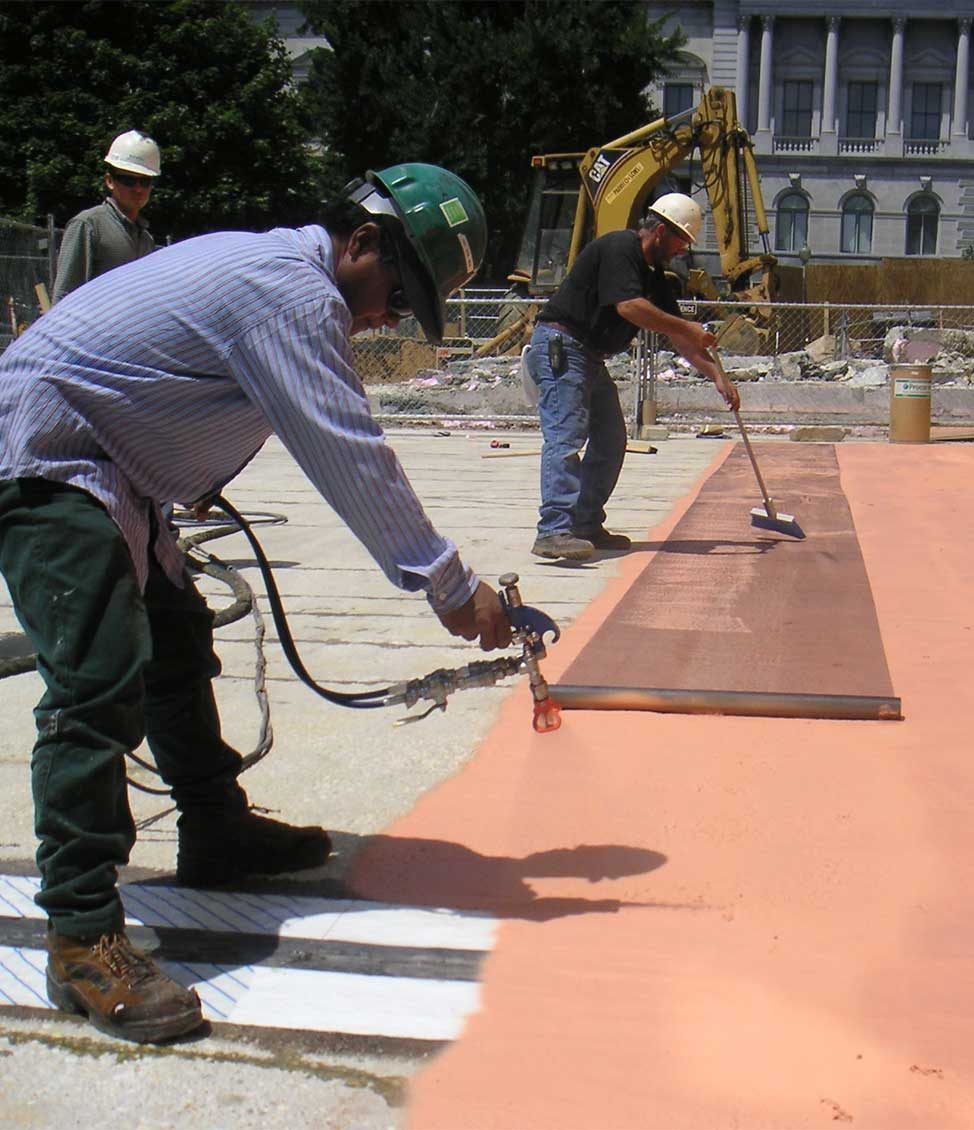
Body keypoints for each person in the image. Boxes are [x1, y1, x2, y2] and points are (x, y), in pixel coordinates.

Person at [0, 162, 512, 1045]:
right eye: (399, 291)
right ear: (360, 243)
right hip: (50, 453)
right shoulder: (291, 296)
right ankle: (82, 934)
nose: (392, 315)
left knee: (176, 636)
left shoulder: (280, 279)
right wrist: (449, 586)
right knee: (97, 683)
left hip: (112, 463)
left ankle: (215, 831)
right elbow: (348, 450)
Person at [525, 193, 740, 561]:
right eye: (680, 242)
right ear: (659, 232)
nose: (681, 251)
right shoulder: (620, 248)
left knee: (610, 439)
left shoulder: (655, 276)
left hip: (589, 356)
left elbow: (680, 340)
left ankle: (585, 523)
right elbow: (629, 307)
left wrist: (718, 376)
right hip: (562, 344)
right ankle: (553, 530)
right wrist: (688, 327)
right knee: (566, 434)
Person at [51, 129, 161, 303]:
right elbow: (64, 297)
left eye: (145, 181)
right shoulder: (88, 225)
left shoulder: (146, 240)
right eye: (129, 180)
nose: (138, 189)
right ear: (109, 181)